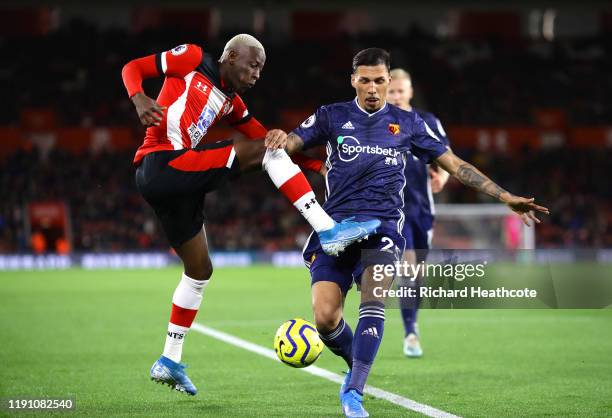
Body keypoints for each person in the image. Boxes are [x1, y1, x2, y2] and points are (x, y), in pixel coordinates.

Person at [283, 48, 548, 417]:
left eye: (379, 80)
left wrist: (504, 196)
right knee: (325, 318)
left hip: (384, 229)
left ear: (389, 81)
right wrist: (279, 139)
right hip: (335, 229)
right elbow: (290, 144)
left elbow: (455, 165)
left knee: (373, 301)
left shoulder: (407, 124)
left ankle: (354, 393)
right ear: (353, 81)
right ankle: (355, 363)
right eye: (365, 80)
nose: (373, 88)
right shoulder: (332, 115)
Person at [121, 34, 380, 396]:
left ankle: (169, 360)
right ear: (230, 55)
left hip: (176, 185)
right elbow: (132, 68)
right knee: (267, 154)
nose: (257, 73)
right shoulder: (192, 59)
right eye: (253, 63)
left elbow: (273, 140)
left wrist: (317, 164)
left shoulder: (231, 102)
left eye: (262, 68)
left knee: (199, 271)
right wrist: (139, 98)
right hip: (163, 163)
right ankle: (326, 228)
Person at [387, 68, 450, 358]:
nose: (397, 96)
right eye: (392, 91)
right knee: (407, 269)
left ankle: (411, 326)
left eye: (401, 91)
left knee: (417, 275)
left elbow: (446, 158)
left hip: (422, 210)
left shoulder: (428, 121)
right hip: (391, 210)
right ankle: (410, 333)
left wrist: (442, 178)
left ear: (410, 92)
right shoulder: (378, 123)